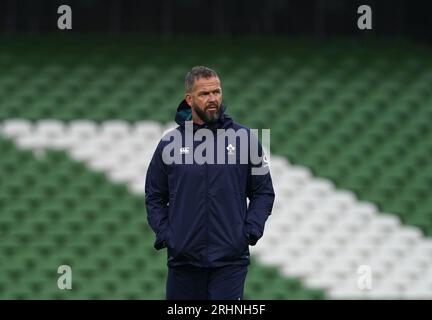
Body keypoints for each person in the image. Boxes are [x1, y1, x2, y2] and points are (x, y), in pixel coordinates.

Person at [145, 66, 275, 300]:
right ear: (189, 98)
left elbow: (263, 192)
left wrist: (249, 231)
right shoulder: (169, 144)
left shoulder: (245, 140)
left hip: (230, 261)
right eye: (205, 94)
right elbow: (154, 195)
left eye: (216, 92)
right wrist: (168, 235)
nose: (213, 99)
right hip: (184, 262)